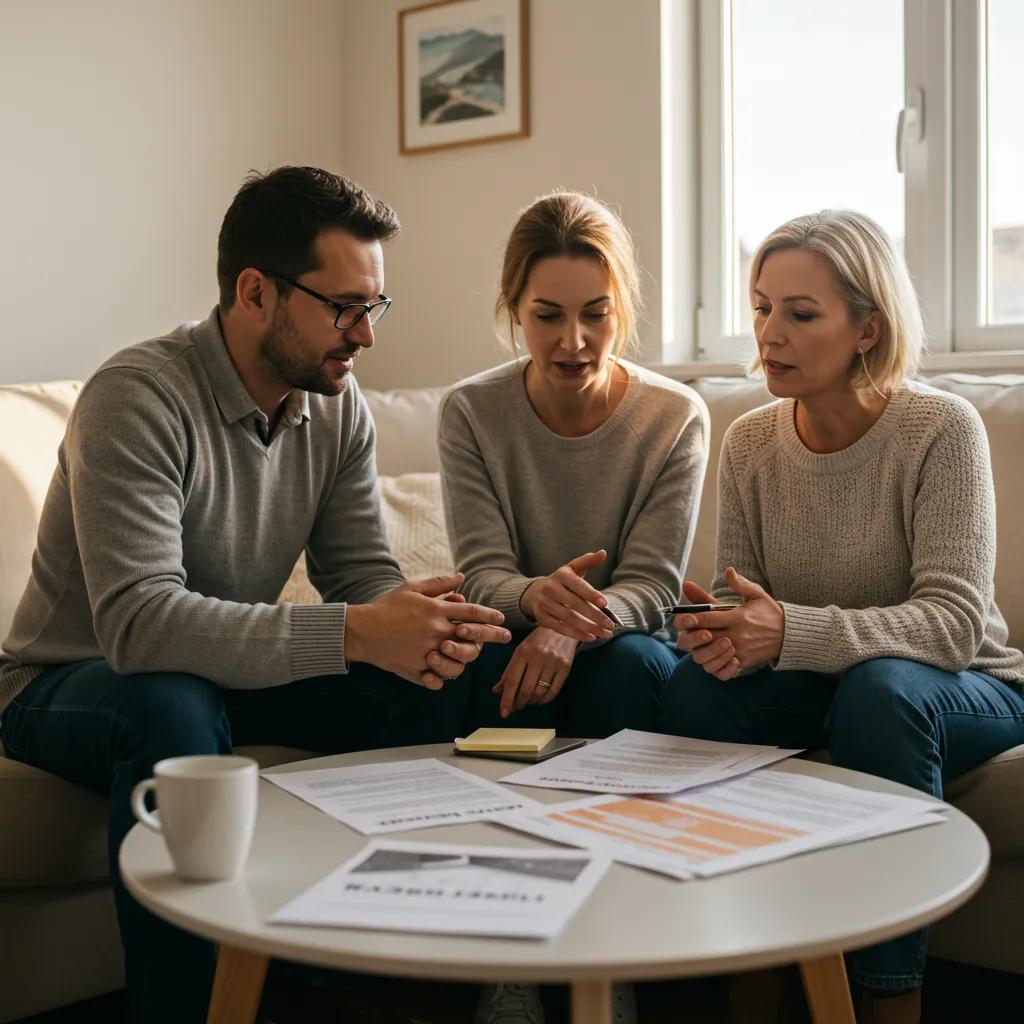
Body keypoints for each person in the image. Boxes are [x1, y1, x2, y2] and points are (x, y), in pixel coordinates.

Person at [0, 166, 511, 1024]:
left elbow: (359, 579)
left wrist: (414, 623)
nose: (367, 337)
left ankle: (397, 988)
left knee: (433, 679)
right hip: (67, 681)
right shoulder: (137, 396)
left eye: (374, 308)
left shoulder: (337, 408)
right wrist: (356, 631)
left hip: (217, 674)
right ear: (255, 292)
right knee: (169, 707)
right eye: (345, 308)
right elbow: (138, 625)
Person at [661, 209, 1024, 1024]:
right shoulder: (749, 442)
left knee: (882, 690)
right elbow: (748, 604)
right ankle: (747, 970)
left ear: (867, 327)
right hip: (824, 680)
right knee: (690, 692)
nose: (768, 333)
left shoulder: (940, 429)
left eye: (800, 313)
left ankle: (889, 1000)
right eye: (760, 307)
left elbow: (953, 625)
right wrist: (718, 627)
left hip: (963, 686)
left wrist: (786, 631)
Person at [438, 191, 709, 1024]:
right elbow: (482, 572)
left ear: (621, 306)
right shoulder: (471, 413)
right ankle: (513, 947)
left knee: (624, 667)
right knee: (481, 661)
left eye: (596, 314)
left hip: (627, 645)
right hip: (514, 643)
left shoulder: (673, 417)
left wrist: (565, 623)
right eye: (546, 315)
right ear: (512, 309)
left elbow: (656, 585)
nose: (573, 341)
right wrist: (529, 601)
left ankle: (613, 950)